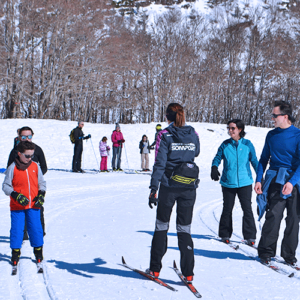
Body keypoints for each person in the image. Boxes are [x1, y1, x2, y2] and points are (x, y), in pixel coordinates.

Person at [147, 103, 200, 283]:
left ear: (167, 116)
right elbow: (197, 151)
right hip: (189, 188)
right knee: (184, 229)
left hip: (169, 187)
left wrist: (154, 189)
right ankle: (188, 273)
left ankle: (155, 269)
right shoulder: (193, 133)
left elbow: (159, 164)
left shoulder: (164, 135)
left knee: (161, 226)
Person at [255, 101, 300, 266]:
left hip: (294, 181)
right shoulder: (271, 135)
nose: (272, 118)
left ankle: (289, 255)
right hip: (275, 180)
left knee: (294, 219)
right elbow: (263, 159)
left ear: (285, 117)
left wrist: (292, 182)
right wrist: (259, 179)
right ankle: (266, 252)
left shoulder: (298, 135)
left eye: (275, 115)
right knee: (273, 216)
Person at [211, 119, 258, 245]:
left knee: (247, 208)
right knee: (227, 208)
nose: (230, 131)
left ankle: (250, 236)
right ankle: (225, 234)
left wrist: (260, 177)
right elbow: (217, 157)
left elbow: (254, 161)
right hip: (228, 182)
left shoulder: (247, 144)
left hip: (245, 182)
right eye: (229, 128)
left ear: (240, 130)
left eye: (233, 128)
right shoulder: (225, 144)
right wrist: (214, 167)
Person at [2, 141, 46, 268]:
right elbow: (5, 186)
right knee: (17, 229)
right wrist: (15, 195)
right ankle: (15, 252)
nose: (29, 158)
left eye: (31, 155)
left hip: (33, 205)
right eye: (27, 156)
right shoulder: (12, 168)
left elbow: (42, 183)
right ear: (19, 154)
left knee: (36, 228)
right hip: (17, 207)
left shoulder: (35, 166)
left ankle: (38, 251)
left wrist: (41, 194)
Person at [7, 126, 48, 240]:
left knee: (37, 207)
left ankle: (39, 232)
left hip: (34, 187)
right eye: (24, 136)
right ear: (19, 137)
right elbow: (9, 170)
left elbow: (44, 167)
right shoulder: (15, 151)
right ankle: (22, 233)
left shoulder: (37, 149)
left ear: (32, 136)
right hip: (19, 188)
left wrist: (34, 176)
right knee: (20, 210)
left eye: (29, 136)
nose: (26, 139)